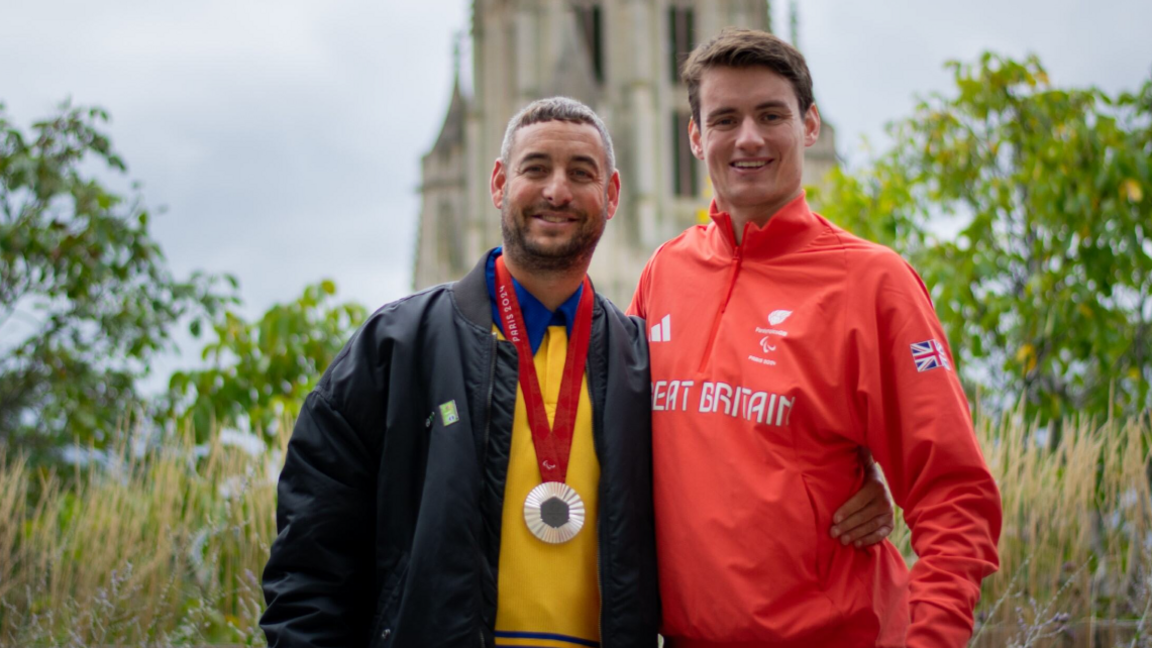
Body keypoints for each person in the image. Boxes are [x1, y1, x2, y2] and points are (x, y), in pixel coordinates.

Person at [261, 96, 891, 648]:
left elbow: (737, 452)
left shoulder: (643, 358)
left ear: (612, 195)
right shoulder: (399, 345)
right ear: (499, 183)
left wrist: (854, 478)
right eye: (536, 169)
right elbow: (313, 545)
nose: (557, 191)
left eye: (580, 173)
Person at [628, 29, 1002, 648]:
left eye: (770, 115)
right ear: (696, 137)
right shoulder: (663, 273)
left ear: (809, 126)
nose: (748, 138)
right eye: (725, 119)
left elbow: (953, 495)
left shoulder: (874, 282)